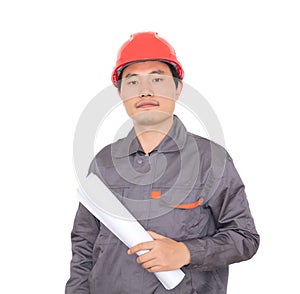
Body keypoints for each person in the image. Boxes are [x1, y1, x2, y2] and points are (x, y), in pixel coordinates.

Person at [65, 32, 259, 294]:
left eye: (157, 79)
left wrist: (186, 252)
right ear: (120, 92)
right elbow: (84, 245)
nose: (145, 90)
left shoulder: (211, 160)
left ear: (178, 88)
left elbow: (245, 238)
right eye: (132, 81)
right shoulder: (103, 163)